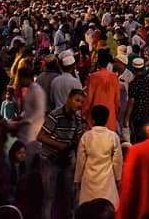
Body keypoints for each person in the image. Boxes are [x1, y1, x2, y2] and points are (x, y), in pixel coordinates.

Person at [38, 87, 85, 219]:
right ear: (69, 99)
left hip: (65, 159)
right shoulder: (55, 115)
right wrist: (60, 145)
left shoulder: (77, 119)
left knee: (69, 194)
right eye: (77, 100)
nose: (79, 104)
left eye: (81, 102)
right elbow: (41, 136)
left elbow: (76, 139)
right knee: (49, 196)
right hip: (50, 158)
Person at [75, 105, 123, 208]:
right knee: (107, 209)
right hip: (107, 181)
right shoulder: (113, 136)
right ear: (107, 119)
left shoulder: (86, 136)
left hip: (89, 180)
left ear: (92, 119)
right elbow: (117, 161)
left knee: (88, 210)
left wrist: (77, 179)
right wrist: (118, 178)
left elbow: (80, 160)